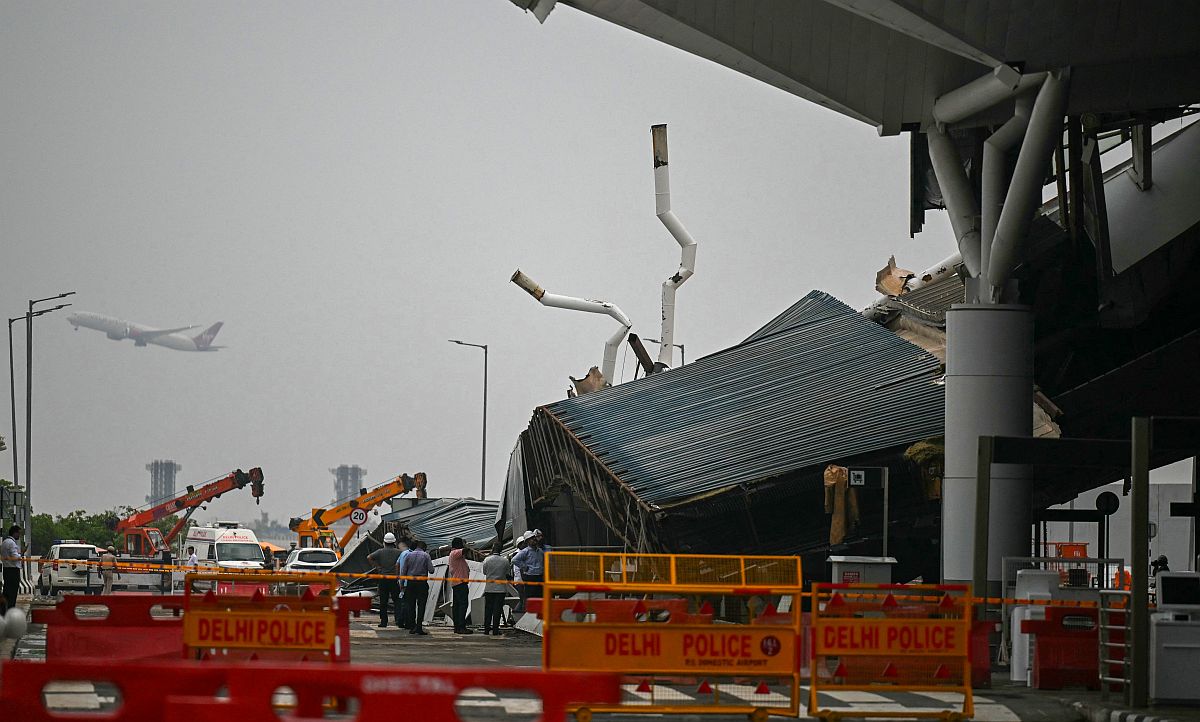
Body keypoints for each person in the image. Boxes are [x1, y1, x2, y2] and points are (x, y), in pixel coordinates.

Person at [367, 532, 404, 628]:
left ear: (384, 542)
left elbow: (369, 557)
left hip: (383, 579)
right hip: (394, 580)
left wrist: (377, 567)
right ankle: (398, 620)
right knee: (397, 601)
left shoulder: (380, 552)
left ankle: (384, 621)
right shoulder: (399, 552)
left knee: (383, 601)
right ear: (394, 542)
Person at [400, 540, 433, 635]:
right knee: (421, 605)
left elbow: (403, 571)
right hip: (422, 583)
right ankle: (419, 627)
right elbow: (431, 570)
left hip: (410, 584)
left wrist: (402, 584)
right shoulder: (426, 556)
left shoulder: (408, 555)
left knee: (411, 605)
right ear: (424, 548)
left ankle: (412, 626)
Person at [513, 530, 549, 613]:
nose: (534, 540)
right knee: (530, 597)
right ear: (527, 541)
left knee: (540, 596)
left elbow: (543, 562)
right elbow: (514, 560)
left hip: (539, 576)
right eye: (531, 539)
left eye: (534, 538)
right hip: (530, 577)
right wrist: (524, 567)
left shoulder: (540, 551)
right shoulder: (525, 551)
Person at [482, 540, 512, 636]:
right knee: (497, 610)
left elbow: (484, 572)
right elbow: (507, 573)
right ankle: (495, 629)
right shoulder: (505, 561)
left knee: (488, 609)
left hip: (489, 588)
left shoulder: (487, 560)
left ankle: (486, 629)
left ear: (492, 549)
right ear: (501, 549)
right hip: (500, 589)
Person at [448, 537, 473, 634]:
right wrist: (465, 545)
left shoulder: (455, 555)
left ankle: (457, 627)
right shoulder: (455, 553)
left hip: (458, 583)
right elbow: (465, 550)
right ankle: (461, 626)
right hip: (460, 583)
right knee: (463, 605)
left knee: (457, 606)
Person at [1, 525, 22, 613]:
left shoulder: (4, 542)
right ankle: (11, 611)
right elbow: (15, 557)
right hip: (13, 571)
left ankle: (3, 610)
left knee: (6, 592)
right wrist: (21, 555)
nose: (19, 535)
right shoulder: (12, 543)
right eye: (19, 533)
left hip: (6, 569)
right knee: (12, 593)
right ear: (15, 533)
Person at [395, 538, 414, 629]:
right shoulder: (410, 554)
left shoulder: (402, 553)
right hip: (407, 582)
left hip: (401, 581)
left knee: (403, 602)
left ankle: (401, 621)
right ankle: (404, 621)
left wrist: (398, 577)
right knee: (408, 603)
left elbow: (397, 564)